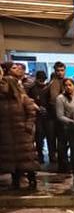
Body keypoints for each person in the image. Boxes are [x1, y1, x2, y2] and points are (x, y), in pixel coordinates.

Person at [0, 62, 39, 190]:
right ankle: (15, 180)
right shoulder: (2, 101)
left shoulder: (21, 98)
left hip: (22, 134)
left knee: (27, 159)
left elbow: (31, 112)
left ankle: (32, 178)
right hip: (7, 135)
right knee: (11, 159)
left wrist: (28, 126)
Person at [46, 61, 67, 170]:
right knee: (60, 141)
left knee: (61, 141)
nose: (60, 73)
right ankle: (62, 164)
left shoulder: (63, 82)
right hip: (55, 116)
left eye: (62, 70)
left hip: (59, 116)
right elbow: (54, 100)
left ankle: (62, 163)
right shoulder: (55, 83)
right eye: (58, 70)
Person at [28, 70, 49, 164]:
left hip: (47, 114)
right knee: (39, 136)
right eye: (40, 80)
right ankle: (40, 155)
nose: (42, 82)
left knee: (49, 136)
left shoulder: (47, 87)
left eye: (43, 80)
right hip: (37, 115)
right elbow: (29, 101)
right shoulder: (32, 88)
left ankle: (45, 155)